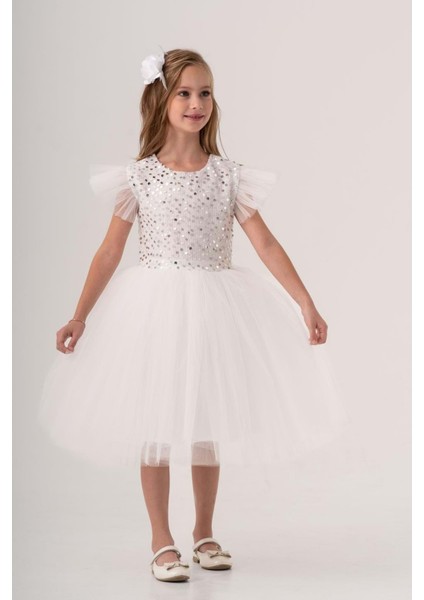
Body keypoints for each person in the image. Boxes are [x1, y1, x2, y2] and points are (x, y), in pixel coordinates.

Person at [38, 47, 350, 582]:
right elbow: (110, 251)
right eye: (184, 92)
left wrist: (305, 301)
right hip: (154, 310)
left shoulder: (228, 175)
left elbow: (266, 244)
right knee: (156, 424)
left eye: (205, 92)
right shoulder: (138, 178)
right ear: (160, 100)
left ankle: (204, 531)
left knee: (207, 423)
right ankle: (161, 538)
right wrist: (80, 315)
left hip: (214, 308)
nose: (196, 103)